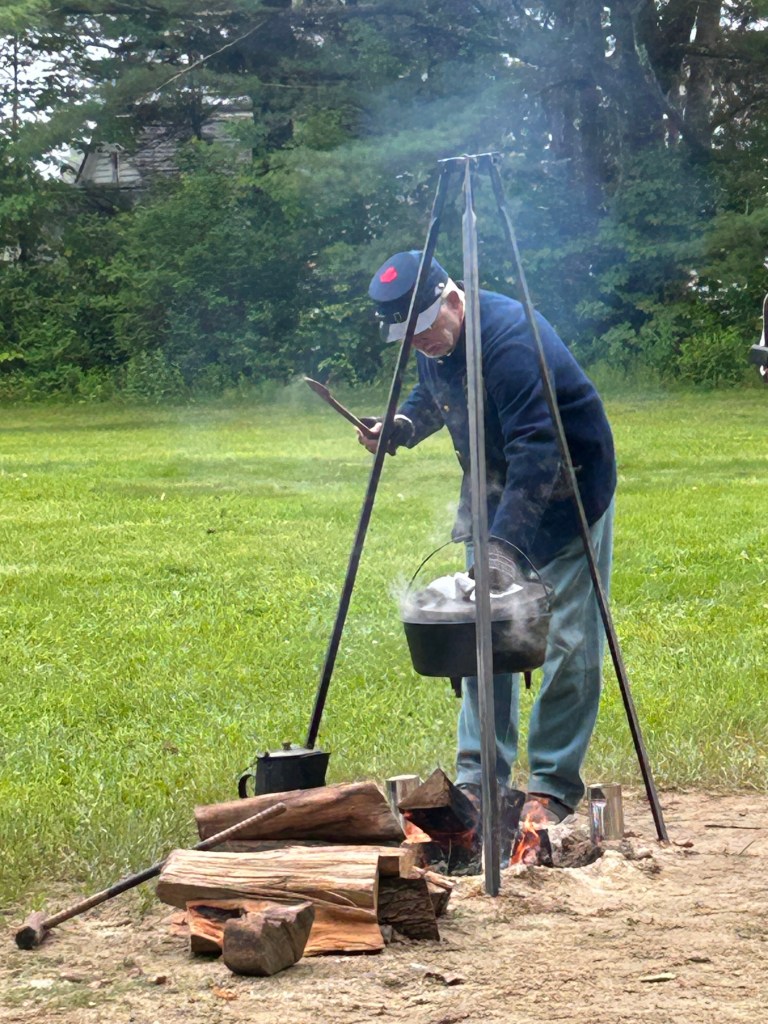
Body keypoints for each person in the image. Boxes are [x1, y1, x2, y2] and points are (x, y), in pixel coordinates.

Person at [359, 249, 617, 826]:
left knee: (568, 639)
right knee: (479, 634)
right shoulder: (435, 337)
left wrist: (503, 548)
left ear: (453, 299)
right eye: (411, 338)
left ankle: (551, 785)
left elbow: (537, 449)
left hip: (568, 491)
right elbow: (438, 390)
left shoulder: (513, 339)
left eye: (426, 330)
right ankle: (479, 779)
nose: (421, 343)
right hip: (495, 491)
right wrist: (403, 424)